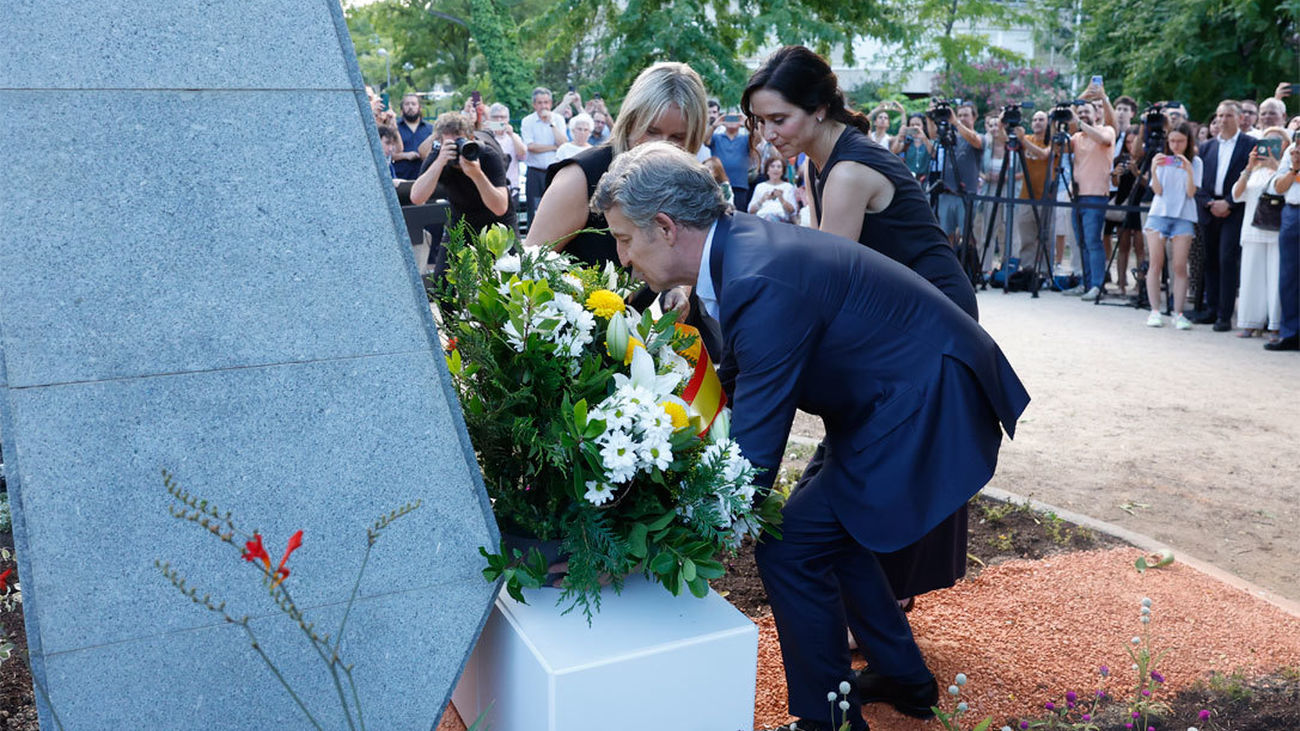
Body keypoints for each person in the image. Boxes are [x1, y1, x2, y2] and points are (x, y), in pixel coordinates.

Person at [591, 142, 1029, 731]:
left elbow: (754, 453)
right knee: (826, 532)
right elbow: (740, 378)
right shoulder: (740, 253)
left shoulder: (758, 277)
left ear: (665, 227)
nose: (621, 258)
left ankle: (830, 721)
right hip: (893, 398)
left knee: (791, 544)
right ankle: (905, 679)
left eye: (623, 238)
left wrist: (670, 531)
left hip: (924, 402)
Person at [742, 44, 978, 633]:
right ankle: (877, 600)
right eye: (759, 123)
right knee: (868, 449)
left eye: (779, 119)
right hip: (900, 322)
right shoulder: (817, 162)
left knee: (890, 454)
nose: (768, 134)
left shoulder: (847, 171)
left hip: (934, 323)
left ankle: (886, 600)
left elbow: (826, 288)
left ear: (819, 110)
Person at [525, 61, 712, 338]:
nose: (660, 146)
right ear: (630, 121)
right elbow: (525, 269)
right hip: (559, 346)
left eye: (677, 138)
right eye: (651, 131)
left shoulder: (681, 183)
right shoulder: (579, 179)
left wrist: (677, 288)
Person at [1194, 100, 1257, 329]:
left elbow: (1252, 179)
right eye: (1219, 115)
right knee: (1210, 259)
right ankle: (1211, 309)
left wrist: (1229, 203)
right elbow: (1196, 181)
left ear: (1240, 118)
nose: (1222, 120)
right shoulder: (1206, 146)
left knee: (1226, 259)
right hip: (1210, 209)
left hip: (1234, 211)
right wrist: (1210, 203)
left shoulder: (1250, 145)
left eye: (1228, 115)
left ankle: (1224, 314)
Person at [409, 112, 516, 235]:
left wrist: (477, 175)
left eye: (459, 142)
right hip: (461, 222)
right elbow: (416, 197)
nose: (456, 149)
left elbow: (500, 208)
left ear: (471, 139)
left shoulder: (487, 155)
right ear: (440, 142)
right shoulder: (438, 155)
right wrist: (439, 162)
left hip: (498, 224)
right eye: (450, 144)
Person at [1142, 122, 1202, 329]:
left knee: (1179, 266)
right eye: (1172, 141)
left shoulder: (1196, 162)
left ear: (1188, 142)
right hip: (1159, 214)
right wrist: (1153, 169)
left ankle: (1178, 313)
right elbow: (1157, 191)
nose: (1176, 145)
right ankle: (1155, 310)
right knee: (1155, 264)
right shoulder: (1160, 161)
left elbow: (1191, 193)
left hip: (1183, 216)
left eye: (1180, 141)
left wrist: (1189, 170)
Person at [1233, 127, 1286, 338]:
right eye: (1267, 142)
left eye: (1276, 142)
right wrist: (1249, 167)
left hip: (1276, 230)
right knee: (1250, 277)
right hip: (1251, 228)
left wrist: (1276, 165)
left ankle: (1275, 324)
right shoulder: (1253, 170)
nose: (1271, 146)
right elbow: (1236, 195)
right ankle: (1249, 322)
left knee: (1276, 278)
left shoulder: (1288, 168)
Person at [1068, 91, 1118, 302]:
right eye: (1080, 113)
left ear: (1096, 114)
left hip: (1096, 195)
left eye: (1086, 112)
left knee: (1093, 241)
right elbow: (1057, 147)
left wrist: (1081, 121)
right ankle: (1086, 283)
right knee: (1081, 242)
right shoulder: (1077, 137)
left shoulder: (1106, 130)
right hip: (1078, 196)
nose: (1083, 115)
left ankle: (1097, 285)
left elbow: (1103, 140)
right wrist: (1078, 101)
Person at [1265, 139, 1300, 350]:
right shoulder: (1292, 150)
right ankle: (1291, 333)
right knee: (1289, 276)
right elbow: (1278, 187)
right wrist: (1294, 168)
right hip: (1293, 213)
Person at [520, 87, 569, 225]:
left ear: (551, 103)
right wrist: (553, 147)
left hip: (554, 172)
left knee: (555, 209)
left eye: (546, 102)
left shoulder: (558, 119)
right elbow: (531, 147)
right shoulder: (527, 121)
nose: (544, 106)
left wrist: (551, 125)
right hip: (535, 172)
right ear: (534, 105)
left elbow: (564, 143)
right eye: (540, 103)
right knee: (534, 211)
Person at [1109, 126, 1147, 296]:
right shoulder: (1120, 159)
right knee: (1123, 246)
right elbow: (1116, 185)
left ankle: (1140, 284)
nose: (1131, 145)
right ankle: (1121, 283)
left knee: (1140, 247)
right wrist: (1115, 175)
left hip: (1139, 205)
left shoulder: (1147, 160)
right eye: (1128, 142)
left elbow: (1148, 185)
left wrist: (1136, 172)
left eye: (1134, 142)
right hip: (1123, 204)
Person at [710, 109, 754, 212]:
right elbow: (705, 140)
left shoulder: (745, 139)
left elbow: (758, 139)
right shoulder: (717, 137)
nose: (732, 121)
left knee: (738, 215)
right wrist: (715, 125)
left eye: (735, 118)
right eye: (729, 118)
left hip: (739, 184)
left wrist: (748, 124)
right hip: (718, 184)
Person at [487, 102, 527, 199]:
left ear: (508, 119)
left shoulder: (514, 137)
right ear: (490, 119)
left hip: (511, 188)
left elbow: (522, 154)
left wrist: (512, 135)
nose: (499, 120)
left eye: (503, 117)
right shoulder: (486, 137)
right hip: (490, 187)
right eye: (495, 117)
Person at [392, 94, 432, 180]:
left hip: (425, 178)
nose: (410, 107)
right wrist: (404, 155)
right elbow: (386, 155)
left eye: (413, 104)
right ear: (401, 109)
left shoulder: (430, 129)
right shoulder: (394, 128)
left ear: (419, 108)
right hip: (401, 179)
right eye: (407, 104)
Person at [748, 157, 797, 222]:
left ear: (782, 171)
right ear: (767, 170)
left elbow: (792, 211)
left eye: (779, 167)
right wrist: (762, 200)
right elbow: (750, 211)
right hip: (762, 220)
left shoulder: (788, 187)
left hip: (781, 221)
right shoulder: (760, 186)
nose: (775, 169)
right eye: (772, 166)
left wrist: (781, 199)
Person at [891, 113, 934, 182]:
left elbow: (934, 154)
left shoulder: (928, 142)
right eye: (912, 125)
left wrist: (924, 138)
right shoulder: (907, 142)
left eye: (918, 125)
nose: (915, 127)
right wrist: (900, 136)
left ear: (923, 126)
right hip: (909, 179)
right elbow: (893, 152)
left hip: (925, 179)